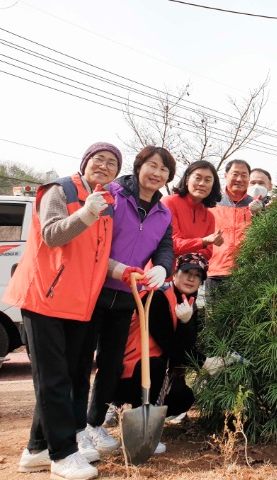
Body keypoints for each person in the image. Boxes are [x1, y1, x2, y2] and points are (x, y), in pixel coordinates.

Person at [3, 142, 122, 479]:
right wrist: (87, 213)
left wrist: (123, 271)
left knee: (65, 378)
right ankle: (63, 455)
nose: (104, 165)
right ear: (85, 162)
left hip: (75, 303)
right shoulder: (60, 190)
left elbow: (94, 256)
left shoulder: (105, 205)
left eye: (112, 163)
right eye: (98, 159)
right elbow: (53, 235)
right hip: (43, 297)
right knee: (54, 379)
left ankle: (37, 450)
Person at [82, 146, 176, 453]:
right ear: (139, 166)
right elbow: (94, 237)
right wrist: (116, 269)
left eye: (164, 170)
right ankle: (73, 429)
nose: (157, 173)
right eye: (152, 165)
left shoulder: (164, 213)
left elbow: (165, 248)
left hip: (126, 297)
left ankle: (94, 424)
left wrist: (163, 267)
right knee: (80, 362)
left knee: (111, 365)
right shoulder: (114, 194)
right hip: (93, 290)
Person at [114, 253, 209, 453]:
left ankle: (149, 421)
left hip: (156, 374)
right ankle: (137, 426)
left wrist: (186, 322)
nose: (191, 278)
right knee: (156, 364)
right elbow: (171, 346)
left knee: (183, 397)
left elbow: (187, 345)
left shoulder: (190, 305)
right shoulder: (156, 297)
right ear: (174, 274)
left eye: (197, 275)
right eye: (186, 272)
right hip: (128, 372)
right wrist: (204, 362)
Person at [206, 160, 263, 296]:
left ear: (249, 178)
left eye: (244, 175)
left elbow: (265, 236)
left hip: (247, 273)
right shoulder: (211, 203)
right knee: (214, 316)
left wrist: (260, 215)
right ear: (226, 176)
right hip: (215, 272)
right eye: (235, 174)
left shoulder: (257, 206)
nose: (239, 179)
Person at [161, 160, 224, 259]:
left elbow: (207, 253)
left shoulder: (209, 216)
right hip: (162, 271)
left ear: (213, 186)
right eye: (198, 178)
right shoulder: (169, 202)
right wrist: (203, 242)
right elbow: (172, 244)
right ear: (187, 180)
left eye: (208, 180)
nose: (202, 184)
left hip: (191, 273)